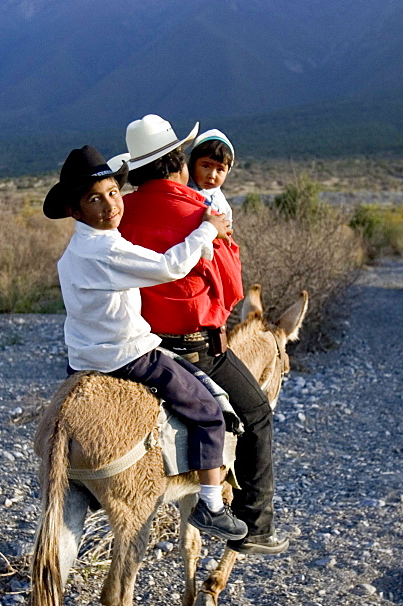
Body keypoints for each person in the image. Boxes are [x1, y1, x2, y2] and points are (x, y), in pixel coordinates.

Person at [44, 144, 247, 542]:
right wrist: (209, 229)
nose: (109, 205)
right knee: (207, 408)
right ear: (75, 210)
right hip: (126, 356)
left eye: (113, 193)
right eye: (94, 199)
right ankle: (210, 503)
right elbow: (169, 267)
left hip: (81, 361)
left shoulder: (74, 252)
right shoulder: (107, 248)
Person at [118, 115, 289, 555]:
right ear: (179, 160)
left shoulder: (119, 213)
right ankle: (256, 527)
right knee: (257, 416)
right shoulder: (205, 216)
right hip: (195, 352)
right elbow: (232, 290)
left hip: (136, 346)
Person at [188, 129, 235, 226]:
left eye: (220, 170)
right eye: (206, 166)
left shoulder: (222, 203)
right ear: (193, 165)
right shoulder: (183, 192)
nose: (212, 176)